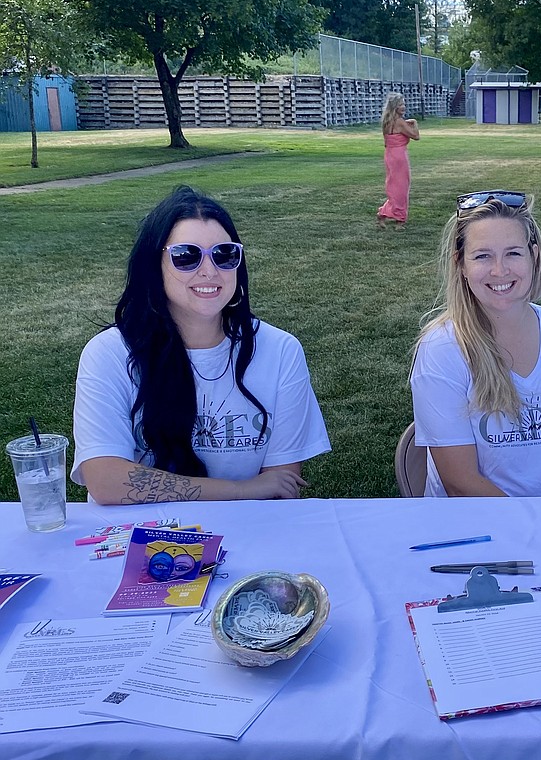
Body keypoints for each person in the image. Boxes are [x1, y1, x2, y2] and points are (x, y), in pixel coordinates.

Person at [72, 186, 331, 504]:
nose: (209, 270)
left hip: (249, 533)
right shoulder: (109, 354)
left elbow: (279, 486)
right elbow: (106, 481)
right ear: (154, 266)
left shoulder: (281, 351)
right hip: (139, 541)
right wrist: (240, 490)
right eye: (186, 256)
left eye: (224, 254)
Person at [410, 191, 541, 497]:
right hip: (479, 534)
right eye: (482, 256)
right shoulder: (442, 349)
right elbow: (460, 482)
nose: (499, 270)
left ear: (534, 255)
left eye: (513, 253)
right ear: (460, 264)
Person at [376, 92, 420, 230]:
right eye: (401, 104)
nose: (404, 107)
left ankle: (384, 214)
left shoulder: (386, 122)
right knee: (401, 187)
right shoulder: (399, 122)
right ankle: (399, 219)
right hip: (399, 156)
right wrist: (415, 123)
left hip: (389, 154)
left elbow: (386, 142)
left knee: (393, 186)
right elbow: (416, 136)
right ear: (395, 107)